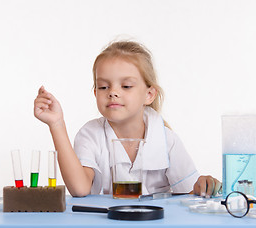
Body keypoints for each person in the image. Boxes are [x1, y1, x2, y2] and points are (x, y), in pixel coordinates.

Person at [34, 40, 221, 197]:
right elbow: (80, 189)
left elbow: (188, 195)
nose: (113, 92)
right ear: (95, 92)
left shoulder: (166, 140)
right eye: (103, 87)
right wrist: (57, 124)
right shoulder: (90, 134)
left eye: (126, 86)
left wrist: (202, 186)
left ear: (149, 94)